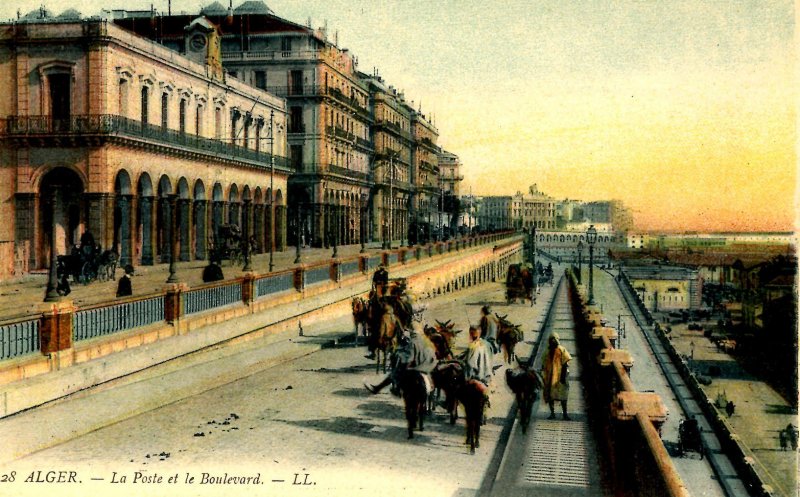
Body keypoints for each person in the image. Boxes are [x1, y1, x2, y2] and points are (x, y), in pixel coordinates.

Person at [366, 321, 436, 396]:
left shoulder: (412, 342)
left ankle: (380, 388)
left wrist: (400, 356)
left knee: (395, 373)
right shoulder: (427, 342)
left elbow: (409, 358)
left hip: (416, 369)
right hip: (426, 369)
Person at [542, 333, 572, 420]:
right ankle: (552, 413)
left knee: (563, 396)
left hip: (560, 375)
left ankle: (565, 414)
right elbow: (544, 364)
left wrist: (563, 377)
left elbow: (565, 363)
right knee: (550, 396)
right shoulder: (547, 352)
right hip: (550, 376)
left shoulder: (561, 350)